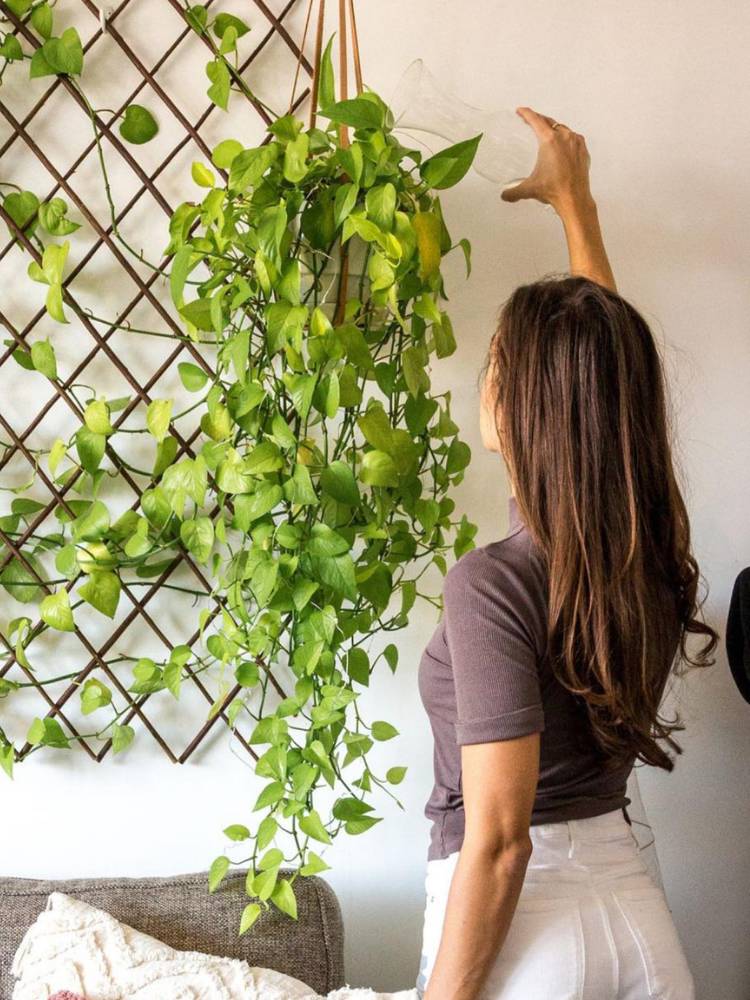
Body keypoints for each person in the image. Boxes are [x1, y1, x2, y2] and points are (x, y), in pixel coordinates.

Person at [415, 106, 719, 1000]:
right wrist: (574, 205)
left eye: (496, 360)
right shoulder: (642, 554)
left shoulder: (492, 585)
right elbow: (607, 378)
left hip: (526, 943)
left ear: (521, 410)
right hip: (639, 927)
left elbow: (500, 843)